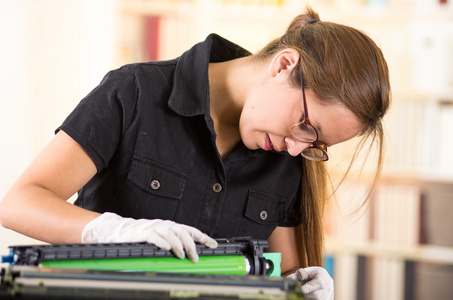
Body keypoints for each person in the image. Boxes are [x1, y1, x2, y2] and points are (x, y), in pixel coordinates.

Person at [0, 6, 390, 300]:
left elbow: (283, 273)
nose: (295, 147)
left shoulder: (285, 156)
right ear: (284, 65)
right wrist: (116, 229)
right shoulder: (135, 92)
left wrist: (295, 289)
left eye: (315, 145)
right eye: (306, 125)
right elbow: (19, 203)